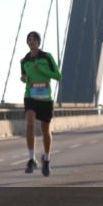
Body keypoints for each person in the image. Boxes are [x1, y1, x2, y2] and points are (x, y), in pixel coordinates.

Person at [19, 31, 62, 177]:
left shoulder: (47, 57)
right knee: (30, 123)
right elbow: (25, 77)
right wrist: (24, 79)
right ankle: (31, 159)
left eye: (34, 39)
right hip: (30, 96)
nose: (32, 42)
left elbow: (58, 76)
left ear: (39, 42)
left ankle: (47, 158)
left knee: (45, 131)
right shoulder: (24, 61)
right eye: (29, 39)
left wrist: (42, 70)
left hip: (45, 98)